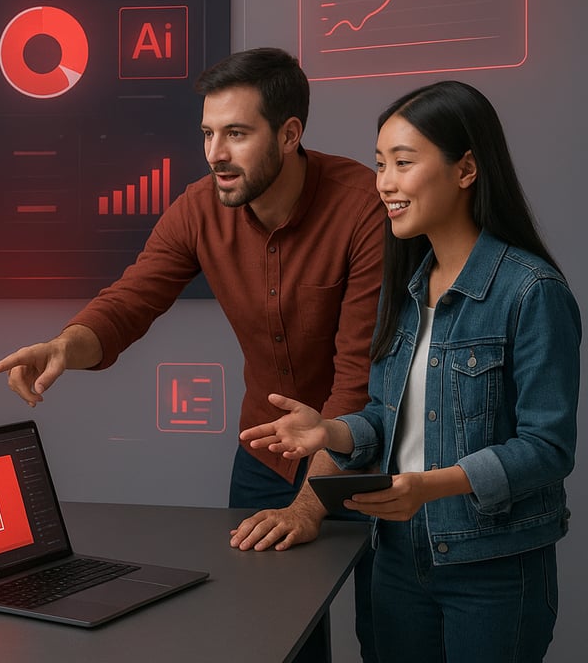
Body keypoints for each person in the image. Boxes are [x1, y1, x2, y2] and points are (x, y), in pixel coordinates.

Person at [0, 47, 384, 661]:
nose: (214, 154)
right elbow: (129, 302)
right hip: (268, 455)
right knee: (271, 638)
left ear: (289, 133)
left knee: (391, 634)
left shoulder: (363, 205)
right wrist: (66, 345)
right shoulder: (198, 207)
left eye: (236, 133)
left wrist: (311, 506)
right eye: (207, 133)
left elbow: (358, 377)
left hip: (364, 452)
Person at [241, 80, 580, 662]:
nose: (385, 184)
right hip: (395, 563)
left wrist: (429, 487)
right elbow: (385, 415)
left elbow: (547, 449)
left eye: (403, 163)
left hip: (491, 572)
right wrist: (331, 432)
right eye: (379, 165)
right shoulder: (404, 291)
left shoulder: (531, 291)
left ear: (466, 169)